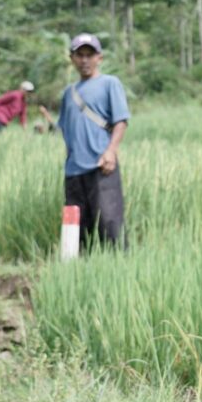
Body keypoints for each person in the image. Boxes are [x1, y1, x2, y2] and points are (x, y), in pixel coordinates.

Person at [58, 33, 130, 250]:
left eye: (90, 55)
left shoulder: (110, 83)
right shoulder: (68, 93)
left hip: (101, 166)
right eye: (80, 55)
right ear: (72, 58)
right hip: (73, 172)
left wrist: (111, 151)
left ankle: (118, 272)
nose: (85, 60)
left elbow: (121, 121)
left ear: (99, 57)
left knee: (109, 224)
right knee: (76, 230)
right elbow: (64, 127)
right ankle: (77, 274)